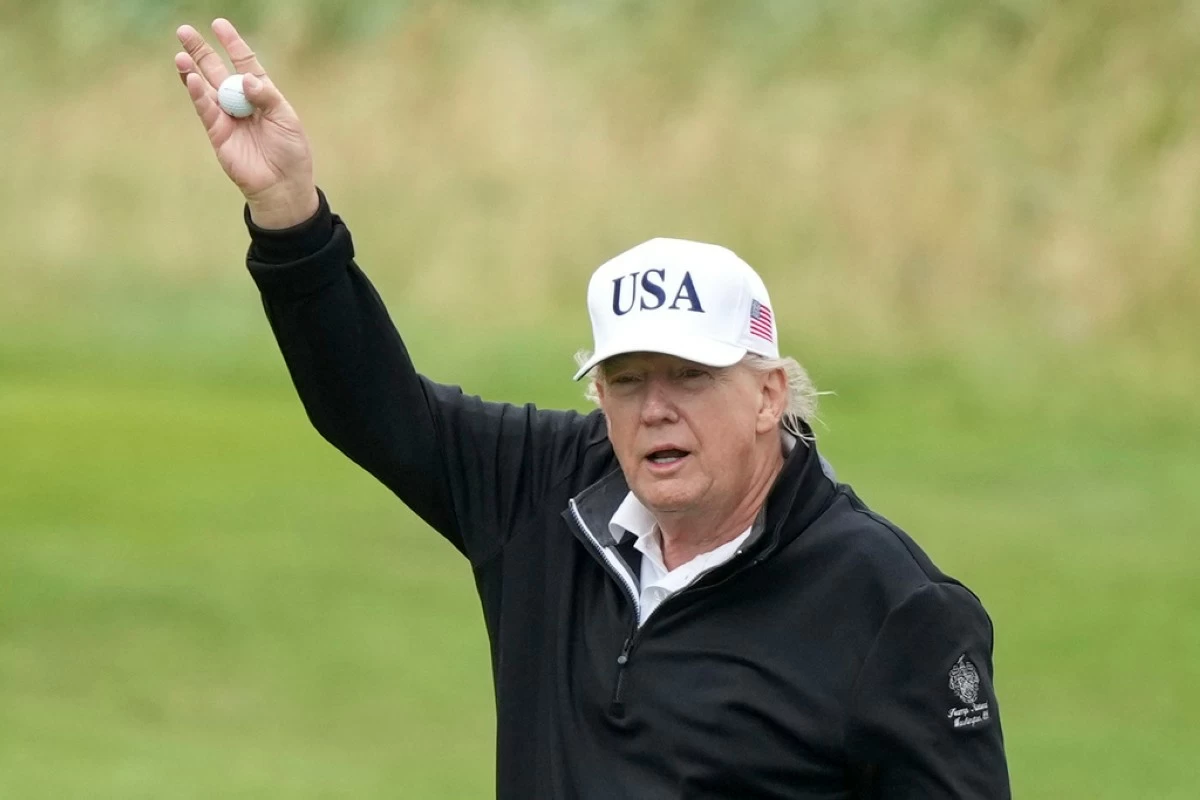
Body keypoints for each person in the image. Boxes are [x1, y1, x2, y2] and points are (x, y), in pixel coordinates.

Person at [175, 19, 1011, 799]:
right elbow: (370, 408)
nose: (655, 410)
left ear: (768, 395)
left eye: (689, 378)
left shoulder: (892, 609)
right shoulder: (546, 493)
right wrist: (289, 214)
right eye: (626, 380)